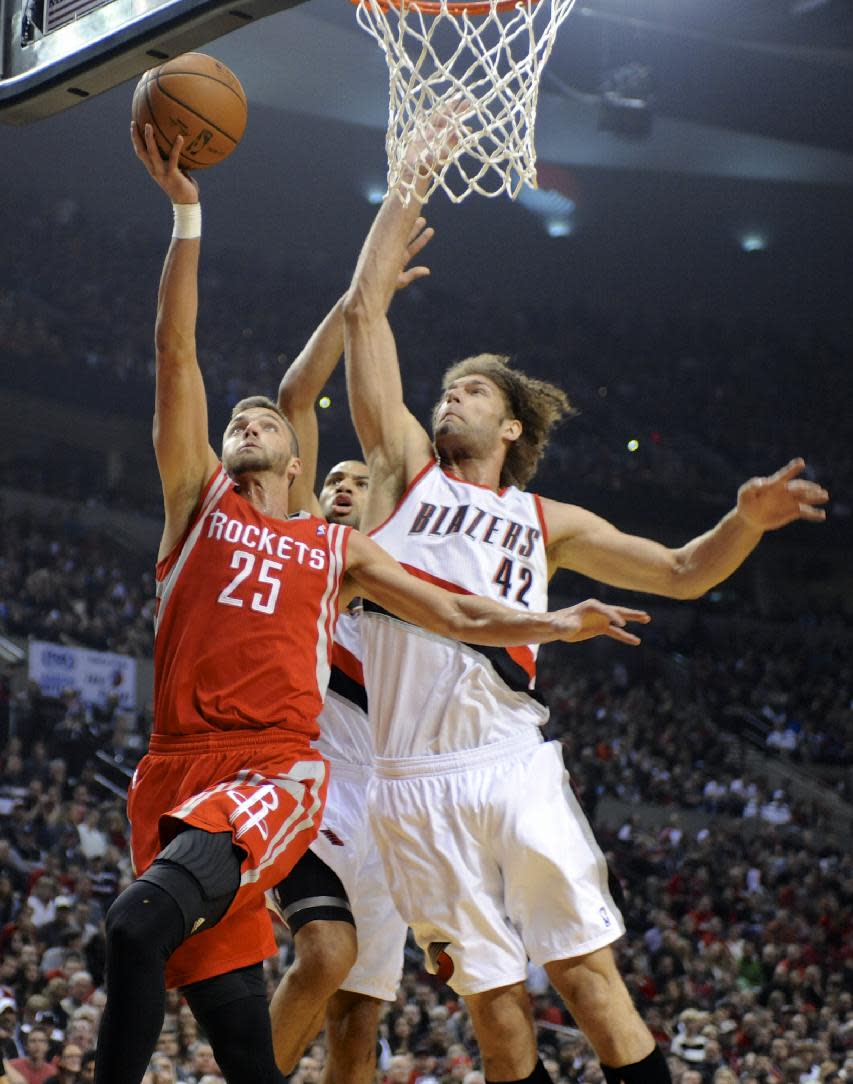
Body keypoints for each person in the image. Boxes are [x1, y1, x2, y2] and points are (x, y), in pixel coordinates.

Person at [96, 121, 650, 1084]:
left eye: (270, 422)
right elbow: (185, 358)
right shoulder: (200, 505)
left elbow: (465, 614)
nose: (251, 420)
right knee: (248, 1007)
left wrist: (554, 620)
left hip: (307, 778)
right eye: (243, 420)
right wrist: (195, 219)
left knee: (324, 965)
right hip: (190, 768)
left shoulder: (337, 547)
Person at [340, 133, 830, 1084]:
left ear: (511, 424)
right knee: (493, 1012)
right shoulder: (398, 470)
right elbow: (362, 311)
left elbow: (684, 573)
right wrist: (410, 179)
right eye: (445, 388)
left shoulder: (545, 519)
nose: (450, 397)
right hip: (407, 778)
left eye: (471, 390)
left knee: (587, 978)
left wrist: (744, 521)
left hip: (509, 758)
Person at [267, 222, 433, 1083]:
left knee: (360, 1019)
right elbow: (298, 397)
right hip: (317, 785)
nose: (336, 486)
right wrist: (358, 298)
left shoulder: (411, 576)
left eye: (355, 483)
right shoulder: (301, 551)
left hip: (394, 808)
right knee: (322, 958)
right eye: (329, 480)